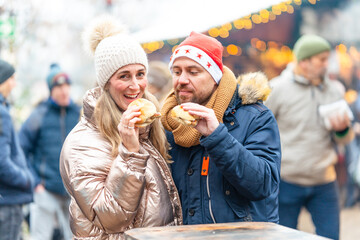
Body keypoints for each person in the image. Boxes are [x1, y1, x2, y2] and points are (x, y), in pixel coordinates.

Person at [59, 17, 182, 240]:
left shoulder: (149, 124)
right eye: (124, 76)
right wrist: (130, 153)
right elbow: (110, 217)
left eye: (140, 74)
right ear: (106, 83)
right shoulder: (81, 143)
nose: (135, 86)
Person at [161, 32, 281, 225]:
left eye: (193, 72)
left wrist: (217, 137)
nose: (182, 79)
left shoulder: (255, 116)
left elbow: (264, 185)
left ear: (215, 78)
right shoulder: (168, 122)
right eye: (177, 71)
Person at [265, 34, 354, 240]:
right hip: (287, 180)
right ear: (304, 62)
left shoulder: (335, 90)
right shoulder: (277, 89)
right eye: (322, 60)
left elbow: (345, 139)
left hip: (324, 181)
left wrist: (342, 130)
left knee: (331, 236)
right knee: (282, 237)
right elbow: (261, 130)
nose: (328, 64)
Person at [19, 63, 80, 240]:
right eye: (58, 86)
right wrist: (35, 182)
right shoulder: (39, 115)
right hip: (45, 190)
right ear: (51, 90)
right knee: (40, 237)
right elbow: (21, 149)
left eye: (66, 85)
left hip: (74, 191)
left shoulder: (79, 113)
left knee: (77, 236)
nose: (63, 90)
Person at [0, 59, 35, 240]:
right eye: (11, 78)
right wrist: (26, 179)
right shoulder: (2, 113)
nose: (14, 84)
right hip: (7, 199)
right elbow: (2, 162)